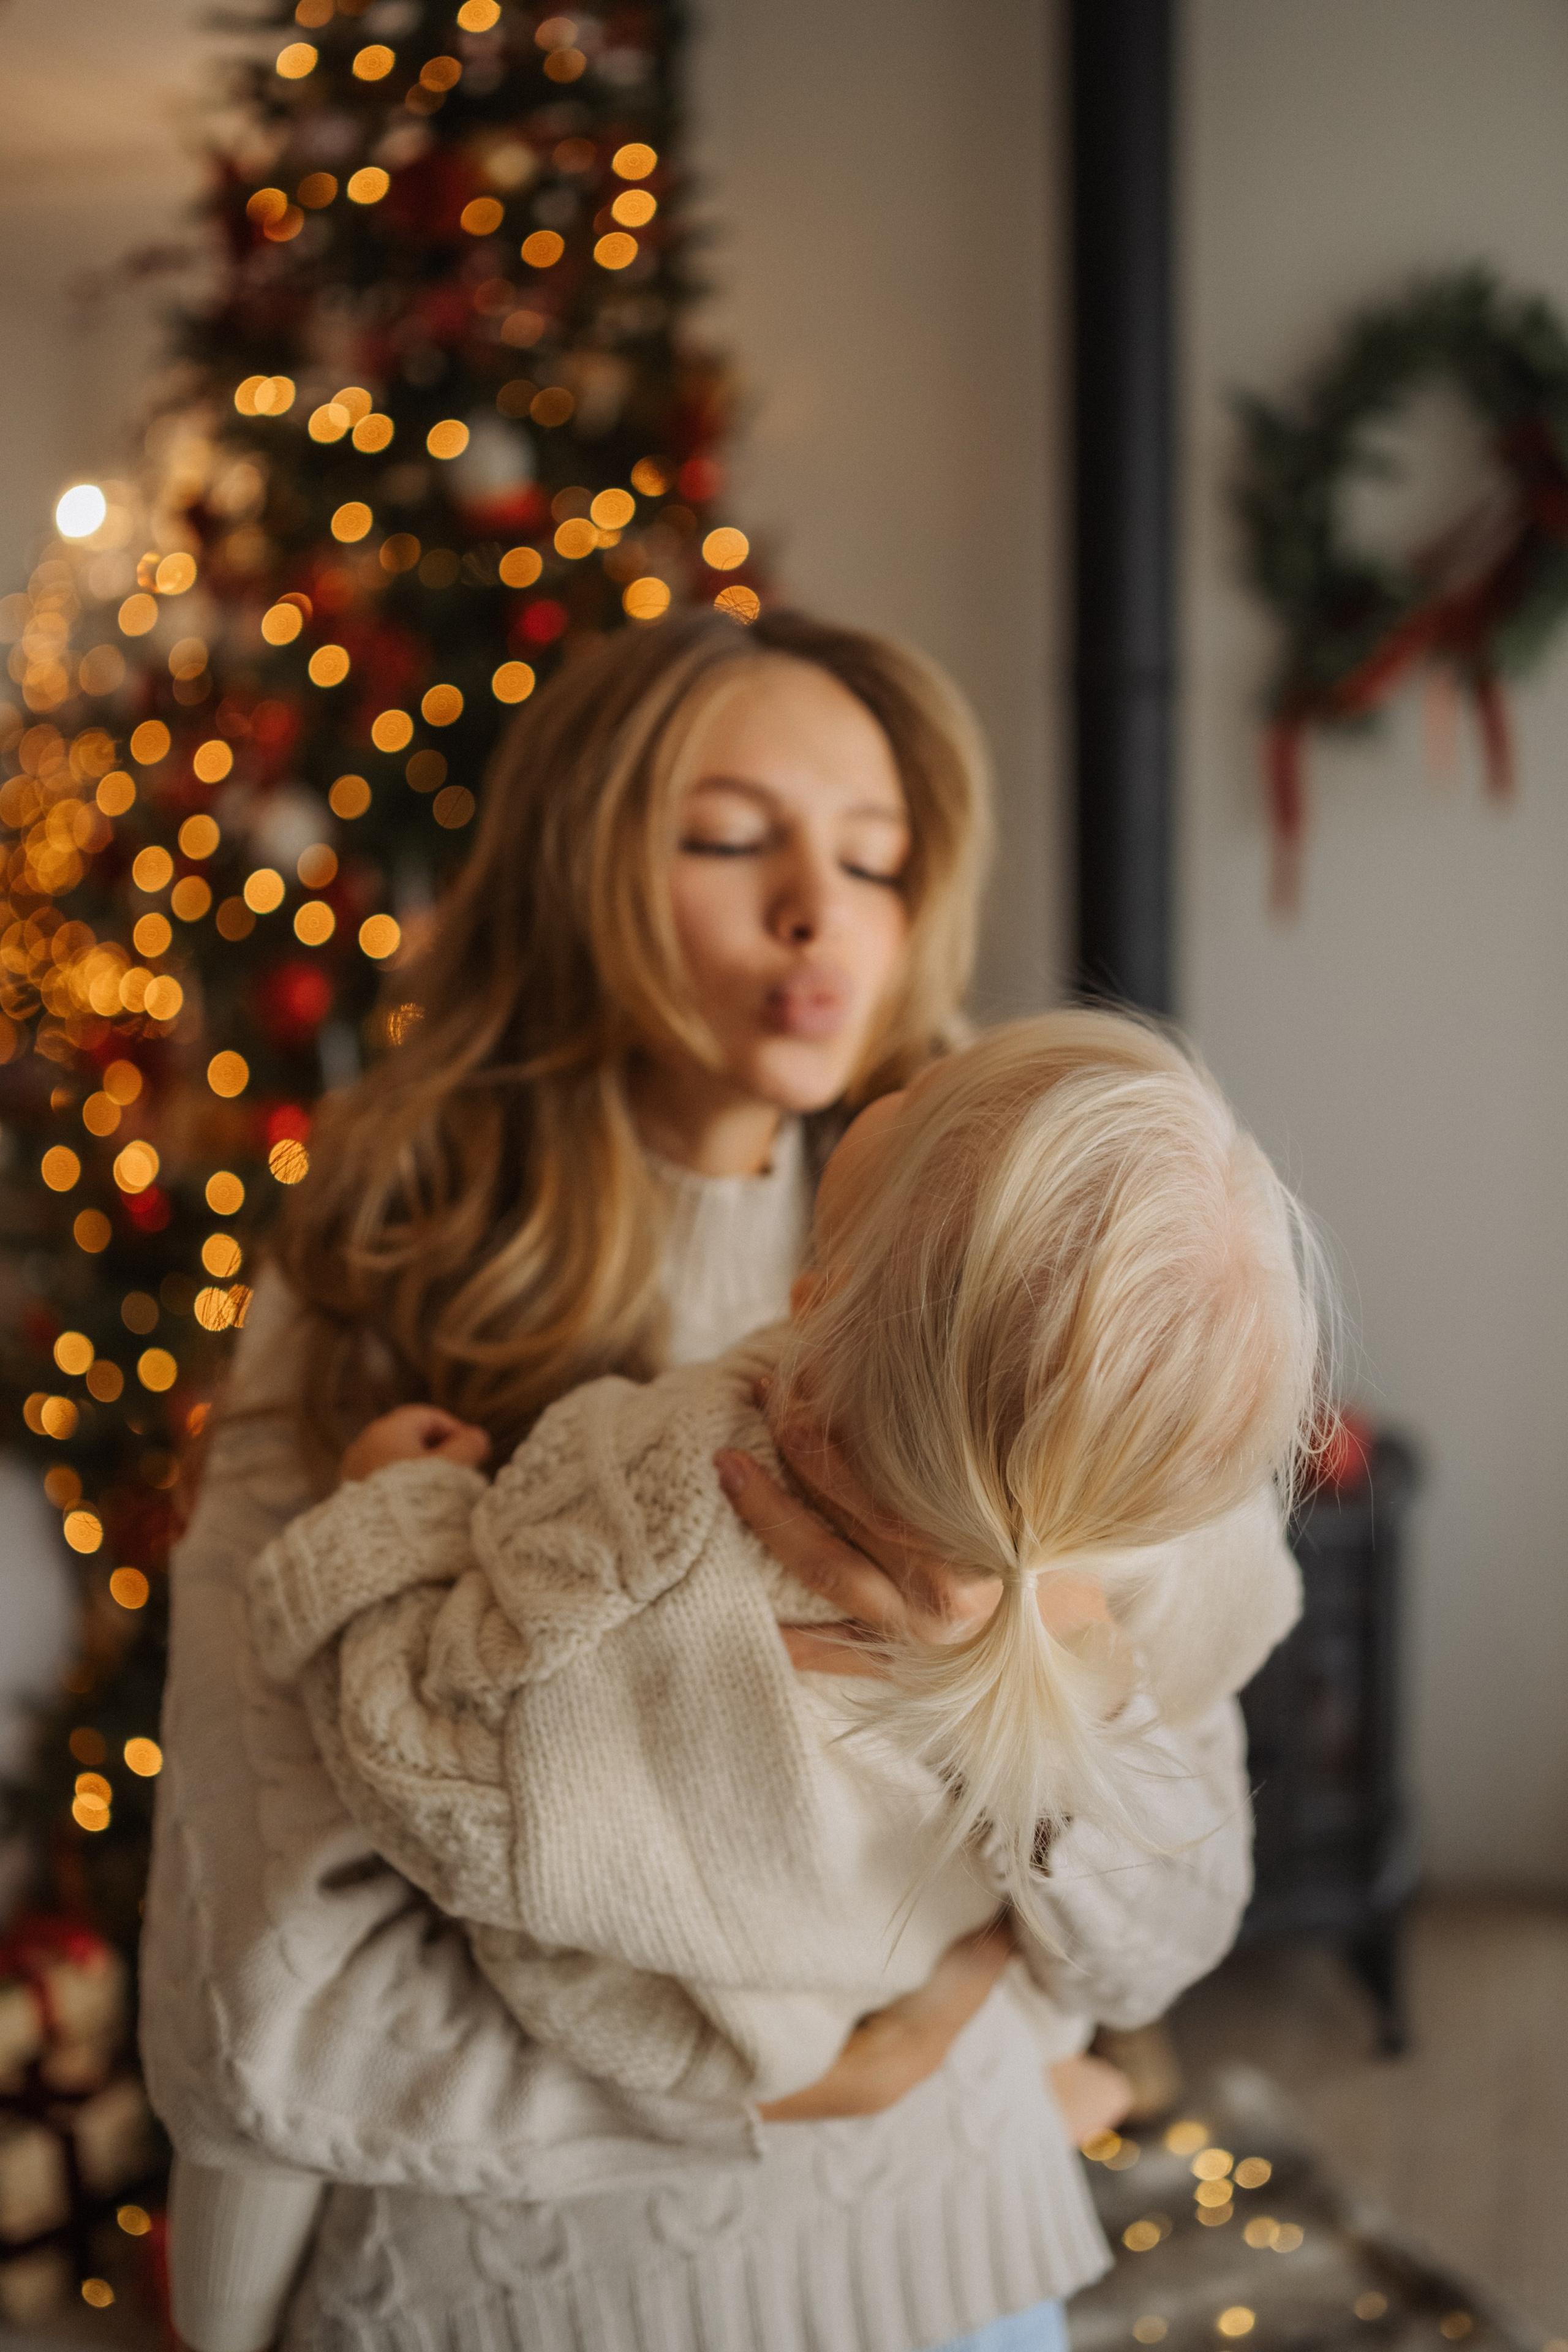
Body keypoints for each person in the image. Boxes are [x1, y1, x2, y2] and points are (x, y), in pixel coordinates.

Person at [137, 611, 1255, 2352]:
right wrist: (808, 2077)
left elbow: (1164, 1926)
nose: (820, 909)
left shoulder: (1023, 1291)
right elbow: (259, 2029)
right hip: (489, 2306)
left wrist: (1014, 1688)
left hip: (952, 2280)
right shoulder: (374, 1269)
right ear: (584, 873)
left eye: (875, 860)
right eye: (733, 840)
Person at [246, 1011, 1319, 2117]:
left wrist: (394, 1513)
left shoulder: (666, 1488)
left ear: (818, 1296)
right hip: (968, 2090)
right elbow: (1177, 1846)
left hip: (735, 2042)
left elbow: (434, 1765)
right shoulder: (1179, 1530)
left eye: (932, 1095)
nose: (934, 1051)